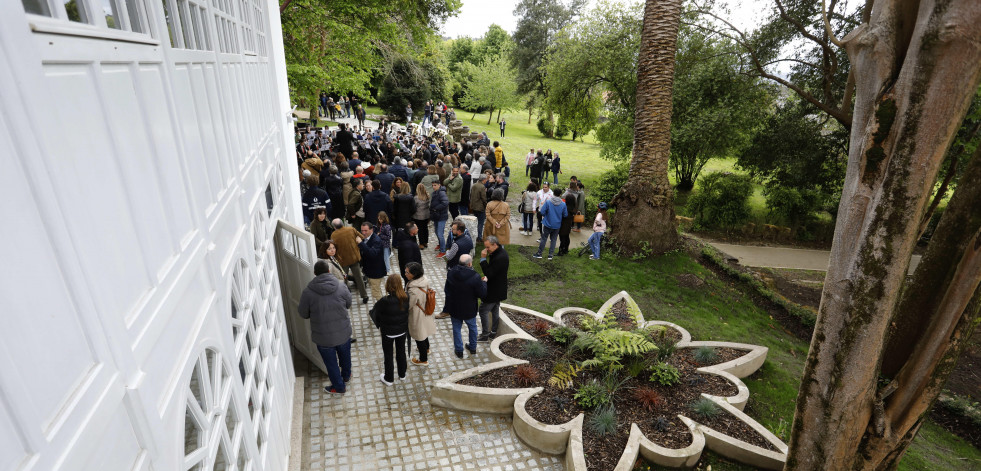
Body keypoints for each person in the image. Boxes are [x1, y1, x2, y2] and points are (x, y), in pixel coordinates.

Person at [298, 260, 353, 395]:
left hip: (323, 337)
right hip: (343, 332)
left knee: (331, 363)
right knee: (345, 356)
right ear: (329, 271)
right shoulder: (341, 286)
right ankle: (346, 376)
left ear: (315, 273)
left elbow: (303, 314)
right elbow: (348, 304)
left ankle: (339, 387)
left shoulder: (308, 292)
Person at [444, 254, 486, 358]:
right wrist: (484, 283)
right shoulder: (475, 276)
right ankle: (473, 347)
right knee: (472, 328)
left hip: (455, 307)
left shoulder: (451, 273)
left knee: (456, 329)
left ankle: (459, 350)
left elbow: (447, 290)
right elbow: (482, 294)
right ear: (469, 263)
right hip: (469, 308)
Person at [370, 275, 409, 385]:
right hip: (402, 330)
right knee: (401, 352)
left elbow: (375, 313)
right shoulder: (406, 297)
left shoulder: (384, 301)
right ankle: (402, 374)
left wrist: (380, 324)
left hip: (388, 333)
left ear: (388, 285)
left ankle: (389, 378)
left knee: (388, 354)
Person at [477, 236, 509, 341]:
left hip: (494, 290)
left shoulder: (500, 257)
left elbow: (489, 272)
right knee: (495, 309)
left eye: (488, 247)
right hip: (498, 288)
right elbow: (494, 272)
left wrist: (482, 259)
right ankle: (493, 332)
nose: (486, 249)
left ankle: (485, 335)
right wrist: (487, 277)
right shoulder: (497, 253)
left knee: (483, 310)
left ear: (495, 245)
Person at [331, 219, 369, 304]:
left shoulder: (334, 235)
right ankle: (364, 296)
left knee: (344, 279)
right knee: (359, 277)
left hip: (343, 260)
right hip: (354, 258)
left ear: (334, 227)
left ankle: (345, 297)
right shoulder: (351, 229)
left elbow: (334, 247)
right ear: (342, 223)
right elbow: (361, 237)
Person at [405, 262, 435, 366]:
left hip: (417, 313)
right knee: (424, 331)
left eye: (407, 272)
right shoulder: (424, 280)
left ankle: (423, 359)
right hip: (425, 309)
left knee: (419, 336)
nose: (405, 274)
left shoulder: (413, 289)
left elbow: (409, 305)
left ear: (414, 274)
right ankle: (426, 349)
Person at [534, 188, 568, 260]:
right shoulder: (563, 204)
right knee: (553, 240)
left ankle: (539, 253)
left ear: (553, 193)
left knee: (544, 238)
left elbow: (542, 212)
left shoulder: (548, 202)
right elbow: (565, 215)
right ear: (560, 195)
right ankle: (550, 255)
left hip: (547, 223)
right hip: (557, 225)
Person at [359, 222, 387, 300]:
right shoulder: (365, 237)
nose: (363, 233)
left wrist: (361, 244)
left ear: (371, 230)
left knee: (376, 293)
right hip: (369, 270)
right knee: (376, 291)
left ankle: (382, 309)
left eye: (366, 230)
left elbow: (372, 253)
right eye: (362, 230)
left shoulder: (376, 240)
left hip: (376, 271)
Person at [429, 181, 449, 257]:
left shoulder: (441, 193)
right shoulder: (435, 192)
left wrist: (435, 209)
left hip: (441, 216)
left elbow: (445, 203)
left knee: (440, 234)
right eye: (433, 185)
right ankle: (440, 244)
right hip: (436, 216)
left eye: (435, 185)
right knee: (437, 232)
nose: (433, 187)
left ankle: (443, 251)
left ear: (439, 185)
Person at [557, 188, 578, 256]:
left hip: (563, 225)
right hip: (568, 225)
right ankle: (566, 249)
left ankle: (561, 250)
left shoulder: (565, 208)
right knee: (566, 237)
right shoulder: (573, 208)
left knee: (562, 238)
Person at [470, 174, 488, 242]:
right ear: (483, 180)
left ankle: (475, 235)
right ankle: (479, 237)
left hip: (474, 206)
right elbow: (483, 198)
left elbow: (471, 194)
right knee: (480, 223)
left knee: (476, 222)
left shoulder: (474, 185)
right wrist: (486, 205)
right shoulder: (482, 187)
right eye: (486, 179)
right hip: (480, 207)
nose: (486, 180)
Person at [412, 183, 431, 250]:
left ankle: (421, 243)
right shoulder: (427, 196)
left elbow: (414, 207)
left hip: (418, 216)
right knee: (425, 228)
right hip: (426, 215)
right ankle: (426, 242)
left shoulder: (416, 198)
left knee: (420, 230)